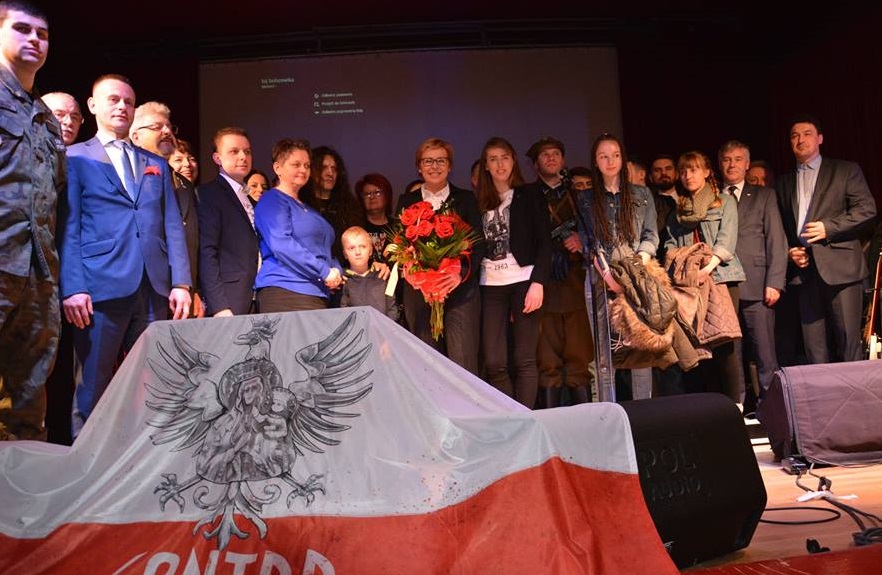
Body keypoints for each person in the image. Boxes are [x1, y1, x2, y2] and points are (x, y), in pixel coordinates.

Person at [61, 75, 191, 436]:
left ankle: (146, 462)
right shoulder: (75, 157)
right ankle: (85, 462)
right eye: (114, 99)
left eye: (129, 102)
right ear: (93, 106)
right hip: (100, 287)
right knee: (93, 386)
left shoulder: (155, 163)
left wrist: (181, 282)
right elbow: (69, 227)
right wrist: (73, 287)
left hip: (153, 289)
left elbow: (172, 226)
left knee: (153, 385)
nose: (122, 106)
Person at [0, 0, 66, 441]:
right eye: (22, 29)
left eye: (42, 34)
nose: (34, 40)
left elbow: (53, 196)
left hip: (37, 271)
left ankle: (21, 479)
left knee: (28, 391)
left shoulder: (46, 119)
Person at [776, 115, 877, 363]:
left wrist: (828, 228)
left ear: (820, 138)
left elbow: (867, 210)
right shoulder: (783, 182)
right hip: (804, 272)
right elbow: (780, 227)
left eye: (807, 133)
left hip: (841, 269)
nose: (800, 140)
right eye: (794, 135)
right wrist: (789, 251)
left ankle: (856, 389)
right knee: (814, 350)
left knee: (848, 343)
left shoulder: (845, 170)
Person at [578, 133, 658, 401]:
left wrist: (635, 270)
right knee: (604, 352)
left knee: (641, 349)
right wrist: (610, 277)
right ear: (595, 161)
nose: (610, 161)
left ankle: (643, 411)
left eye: (615, 155)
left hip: (637, 277)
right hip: (600, 279)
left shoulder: (641, 194)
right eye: (603, 156)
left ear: (623, 159)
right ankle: (608, 411)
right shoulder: (586, 198)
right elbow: (589, 243)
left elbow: (650, 237)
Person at [396, 137, 484, 375]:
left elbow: (478, 245)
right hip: (420, 294)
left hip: (459, 291)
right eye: (428, 161)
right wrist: (415, 272)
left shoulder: (465, 199)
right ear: (419, 167)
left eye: (440, 161)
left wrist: (459, 274)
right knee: (427, 366)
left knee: (462, 363)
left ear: (450, 165)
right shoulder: (407, 202)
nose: (434, 166)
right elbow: (400, 246)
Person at [664, 150, 745, 402]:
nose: (688, 175)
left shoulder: (724, 202)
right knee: (699, 347)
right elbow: (669, 245)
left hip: (721, 278)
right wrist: (685, 268)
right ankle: (710, 407)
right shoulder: (677, 211)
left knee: (724, 345)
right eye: (684, 171)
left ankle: (735, 406)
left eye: (694, 169)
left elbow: (726, 240)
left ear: (707, 172)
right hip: (689, 284)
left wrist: (706, 268)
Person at [477, 137, 550, 408]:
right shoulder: (478, 201)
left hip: (524, 281)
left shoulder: (529, 194)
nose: (500, 164)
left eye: (505, 157)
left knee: (524, 359)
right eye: (493, 159)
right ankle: (511, 415)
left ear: (514, 160)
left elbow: (544, 242)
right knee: (494, 361)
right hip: (490, 285)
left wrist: (538, 283)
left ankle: (525, 419)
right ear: (485, 165)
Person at [524, 137, 593, 406]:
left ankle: (585, 417)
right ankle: (552, 418)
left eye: (556, 153)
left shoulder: (579, 195)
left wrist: (581, 240)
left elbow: (596, 233)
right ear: (535, 164)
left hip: (574, 277)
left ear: (563, 159)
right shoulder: (526, 195)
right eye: (544, 155)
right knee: (547, 353)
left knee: (578, 350)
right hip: (543, 279)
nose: (551, 158)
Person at [717, 140, 786, 410]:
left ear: (747, 164)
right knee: (731, 355)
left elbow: (776, 241)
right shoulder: (713, 196)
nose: (732, 164)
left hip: (758, 284)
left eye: (737, 159)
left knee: (765, 353)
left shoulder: (763, 195)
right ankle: (737, 407)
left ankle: (773, 409)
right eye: (727, 159)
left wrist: (775, 282)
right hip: (723, 286)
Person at [130, 101, 202, 318]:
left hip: (182, 293)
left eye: (169, 127)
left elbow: (190, 241)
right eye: (157, 127)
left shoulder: (184, 183)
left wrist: (191, 287)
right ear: (135, 136)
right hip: (143, 290)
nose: (167, 131)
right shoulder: (129, 178)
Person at [254, 139, 343, 312]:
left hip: (316, 292)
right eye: (296, 164)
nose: (303, 170)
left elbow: (324, 250)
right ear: (277, 168)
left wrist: (336, 270)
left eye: (307, 165)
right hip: (286, 290)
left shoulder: (308, 208)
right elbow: (282, 244)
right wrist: (324, 272)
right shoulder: (272, 200)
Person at [197, 127, 259, 317]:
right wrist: (218, 305)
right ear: (217, 158)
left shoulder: (252, 200)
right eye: (234, 151)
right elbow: (207, 252)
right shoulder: (209, 194)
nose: (243, 157)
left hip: (259, 296)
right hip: (230, 298)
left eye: (247, 151)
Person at [303, 146, 364, 266]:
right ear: (311, 171)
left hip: (345, 271)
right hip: (312, 269)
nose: (330, 173)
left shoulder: (350, 206)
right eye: (323, 168)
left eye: (334, 169)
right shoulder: (302, 204)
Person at [339, 226, 398, 321]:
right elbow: (343, 312)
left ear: (370, 251)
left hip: (382, 328)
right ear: (345, 254)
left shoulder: (383, 276)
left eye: (363, 246)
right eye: (351, 248)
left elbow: (392, 309)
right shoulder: (343, 280)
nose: (358, 252)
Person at [355, 173, 394, 260]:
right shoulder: (356, 228)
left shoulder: (397, 227)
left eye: (377, 192)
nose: (372, 197)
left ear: (387, 196)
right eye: (367, 194)